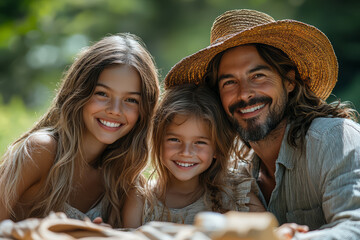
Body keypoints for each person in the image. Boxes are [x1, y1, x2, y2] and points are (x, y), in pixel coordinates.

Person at [163, 9, 360, 239]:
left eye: (258, 76)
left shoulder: (335, 139)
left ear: (289, 81)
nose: (245, 94)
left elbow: (355, 229)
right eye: (229, 82)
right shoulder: (234, 175)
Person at [0, 33, 160, 228]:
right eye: (102, 94)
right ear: (79, 93)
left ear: (144, 110)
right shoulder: (42, 150)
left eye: (131, 100)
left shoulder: (125, 179)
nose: (115, 110)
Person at [122, 84, 265, 228]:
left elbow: (268, 233)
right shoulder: (141, 200)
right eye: (174, 140)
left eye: (200, 142)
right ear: (158, 140)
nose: (186, 152)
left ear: (216, 148)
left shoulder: (236, 194)